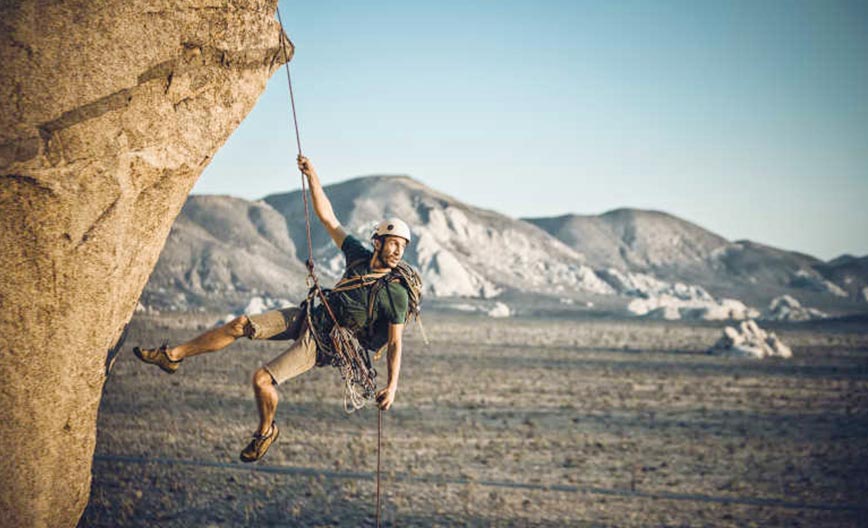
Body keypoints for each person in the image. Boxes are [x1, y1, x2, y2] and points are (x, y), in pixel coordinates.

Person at [133, 155, 416, 462]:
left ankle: (266, 431)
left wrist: (392, 386)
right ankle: (172, 356)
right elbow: (328, 218)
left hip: (324, 343)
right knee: (240, 325)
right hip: (311, 315)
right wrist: (312, 176)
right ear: (378, 242)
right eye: (393, 243)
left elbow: (396, 343)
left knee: (262, 380)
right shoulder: (358, 255)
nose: (398, 250)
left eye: (403, 246)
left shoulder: (395, 293)